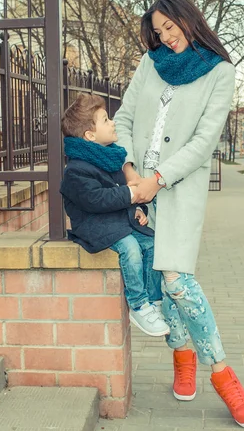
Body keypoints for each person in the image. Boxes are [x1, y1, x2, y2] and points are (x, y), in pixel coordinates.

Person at [114, 0, 244, 428]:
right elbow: (122, 120)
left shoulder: (220, 72)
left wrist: (156, 181)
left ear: (188, 19)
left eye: (171, 28)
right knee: (158, 280)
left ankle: (222, 374)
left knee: (178, 279)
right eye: (158, 32)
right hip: (136, 187)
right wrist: (130, 171)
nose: (166, 37)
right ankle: (181, 355)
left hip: (176, 190)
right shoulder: (148, 64)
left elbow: (202, 143)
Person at [60, 93, 169, 337]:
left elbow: (120, 196)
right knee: (130, 248)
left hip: (117, 221)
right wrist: (131, 194)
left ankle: (154, 300)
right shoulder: (76, 170)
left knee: (151, 243)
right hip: (93, 226)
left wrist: (139, 211)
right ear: (90, 135)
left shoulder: (110, 158)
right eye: (106, 119)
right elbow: (98, 200)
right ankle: (139, 305)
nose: (113, 122)